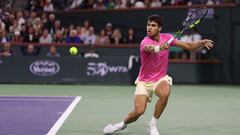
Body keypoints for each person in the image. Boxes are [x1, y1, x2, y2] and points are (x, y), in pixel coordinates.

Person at [103, 14, 213, 135]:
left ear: (159, 28)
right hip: (144, 81)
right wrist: (160, 47)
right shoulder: (144, 41)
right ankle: (121, 125)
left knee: (165, 93)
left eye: (153, 25)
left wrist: (200, 43)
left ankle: (153, 124)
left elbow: (188, 46)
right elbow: (150, 48)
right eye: (148, 25)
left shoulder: (168, 37)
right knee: (139, 111)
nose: (149, 27)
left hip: (160, 78)